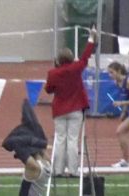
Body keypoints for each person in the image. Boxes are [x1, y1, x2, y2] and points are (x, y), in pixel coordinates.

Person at [45, 26, 97, 177]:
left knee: (60, 139)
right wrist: (91, 38)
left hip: (59, 109)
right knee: (73, 139)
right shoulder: (77, 68)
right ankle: (73, 170)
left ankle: (57, 170)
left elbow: (48, 90)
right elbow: (85, 56)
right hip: (75, 108)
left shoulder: (52, 73)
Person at [2, 99, 51, 196]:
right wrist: (38, 142)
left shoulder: (34, 167)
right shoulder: (47, 163)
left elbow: (10, 142)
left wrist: (27, 140)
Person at [107, 61, 129, 167]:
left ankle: (126, 161)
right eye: (109, 73)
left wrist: (121, 103)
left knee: (120, 131)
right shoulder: (118, 83)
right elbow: (127, 97)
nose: (110, 75)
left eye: (111, 72)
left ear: (119, 71)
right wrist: (124, 111)